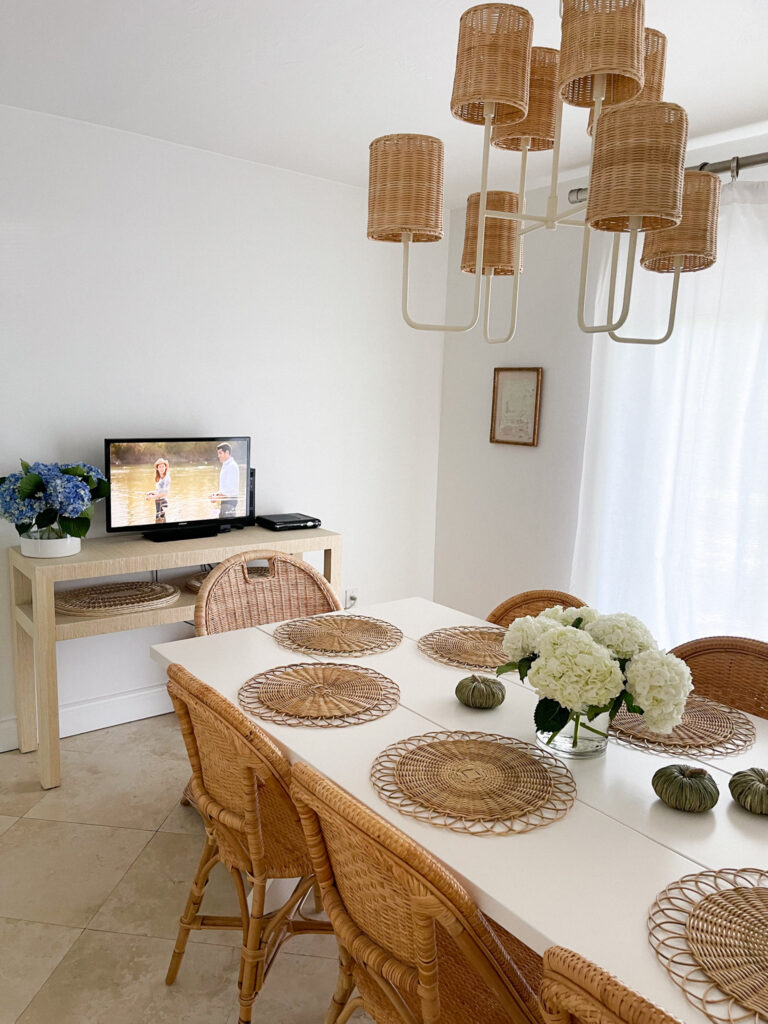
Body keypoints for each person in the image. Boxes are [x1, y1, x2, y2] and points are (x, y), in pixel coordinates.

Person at [210, 442, 239, 519]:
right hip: (225, 503)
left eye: (220, 453)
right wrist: (216, 495)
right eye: (218, 453)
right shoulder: (226, 465)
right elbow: (224, 489)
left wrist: (217, 498)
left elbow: (230, 490)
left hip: (229, 503)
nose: (218, 456)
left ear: (227, 452)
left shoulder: (232, 465)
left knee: (227, 528)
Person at [146, 457, 171, 523]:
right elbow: (159, 491)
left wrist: (152, 497)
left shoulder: (167, 478)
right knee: (161, 521)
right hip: (157, 502)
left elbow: (165, 493)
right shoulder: (158, 477)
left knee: (159, 520)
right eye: (160, 467)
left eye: (163, 466)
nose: (162, 468)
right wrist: (152, 492)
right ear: (157, 468)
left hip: (163, 502)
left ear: (166, 467)